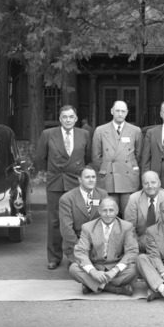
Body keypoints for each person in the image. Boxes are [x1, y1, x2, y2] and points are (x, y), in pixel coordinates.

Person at [35, 105, 92, 270]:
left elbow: (88, 157)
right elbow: (40, 158)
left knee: (77, 219)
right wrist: (53, 172)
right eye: (64, 117)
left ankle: (75, 256)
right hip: (56, 181)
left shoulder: (84, 134)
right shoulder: (48, 134)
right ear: (60, 119)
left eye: (71, 117)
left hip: (76, 181)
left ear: (76, 118)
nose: (68, 120)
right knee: (54, 220)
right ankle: (54, 257)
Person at [68, 197, 139, 296]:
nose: (108, 214)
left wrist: (114, 271)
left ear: (117, 211)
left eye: (111, 210)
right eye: (104, 210)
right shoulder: (87, 227)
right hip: (96, 266)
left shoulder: (126, 227)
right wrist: (93, 272)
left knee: (135, 268)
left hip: (116, 267)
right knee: (73, 268)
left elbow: (132, 251)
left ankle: (92, 284)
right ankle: (113, 289)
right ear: (99, 211)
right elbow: (80, 252)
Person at [92, 100, 143, 217]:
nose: (120, 114)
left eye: (123, 111)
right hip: (109, 178)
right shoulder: (100, 130)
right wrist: (106, 168)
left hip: (128, 178)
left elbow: (139, 155)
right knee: (109, 214)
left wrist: (130, 167)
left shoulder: (135, 130)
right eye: (117, 111)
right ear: (112, 111)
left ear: (127, 113)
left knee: (129, 215)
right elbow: (96, 156)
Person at [59, 165, 108, 265]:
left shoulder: (103, 194)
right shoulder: (67, 199)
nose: (91, 180)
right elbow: (66, 229)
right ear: (80, 180)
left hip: (99, 244)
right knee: (80, 271)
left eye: (93, 177)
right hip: (76, 244)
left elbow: (108, 221)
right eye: (87, 177)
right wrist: (80, 248)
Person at [124, 171, 164, 253]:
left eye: (153, 182)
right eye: (146, 183)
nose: (150, 186)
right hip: (142, 241)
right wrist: (139, 244)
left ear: (159, 183)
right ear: (142, 185)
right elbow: (130, 227)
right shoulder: (134, 198)